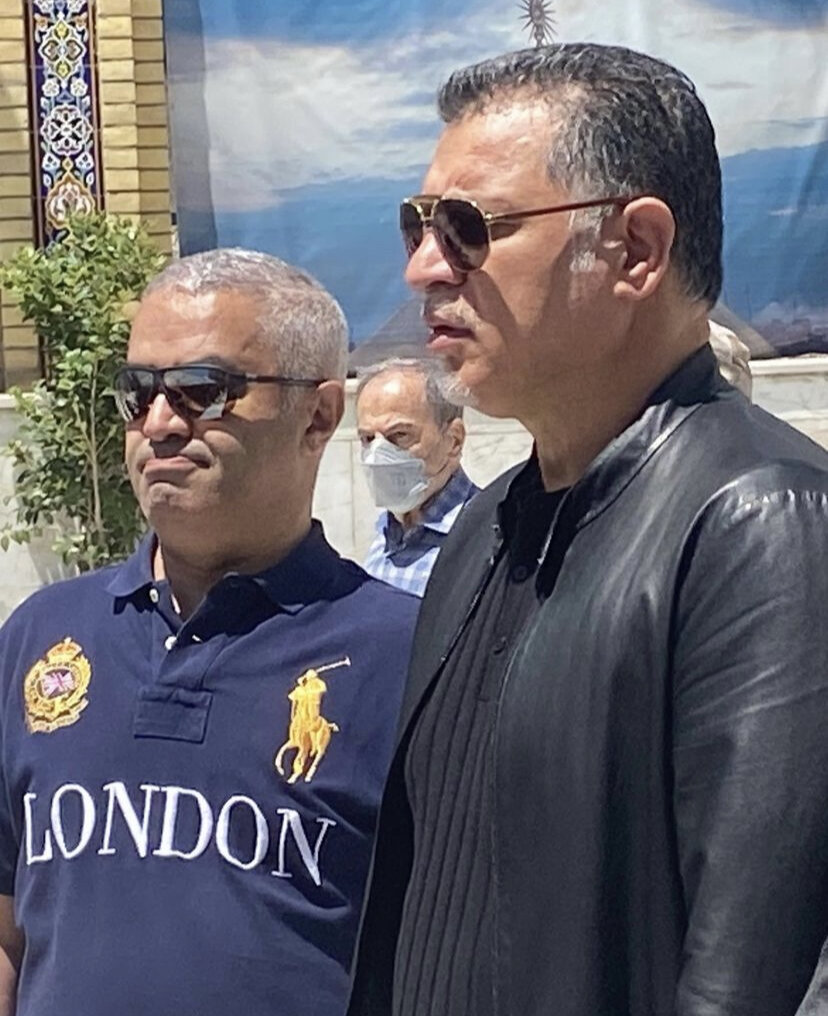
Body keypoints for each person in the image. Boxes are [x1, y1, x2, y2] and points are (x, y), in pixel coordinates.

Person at [347, 44, 828, 1016]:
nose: (424, 267)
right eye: (417, 225)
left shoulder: (762, 522)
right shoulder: (484, 529)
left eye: (469, 228)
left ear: (636, 249)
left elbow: (752, 975)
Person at [0, 249, 419, 1016]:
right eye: (138, 393)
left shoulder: (407, 656)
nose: (160, 424)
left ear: (318, 415)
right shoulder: (40, 638)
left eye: (203, 390)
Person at [357, 358, 479, 595]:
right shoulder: (384, 532)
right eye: (367, 439)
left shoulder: (486, 535)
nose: (377, 456)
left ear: (454, 439)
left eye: (400, 435)